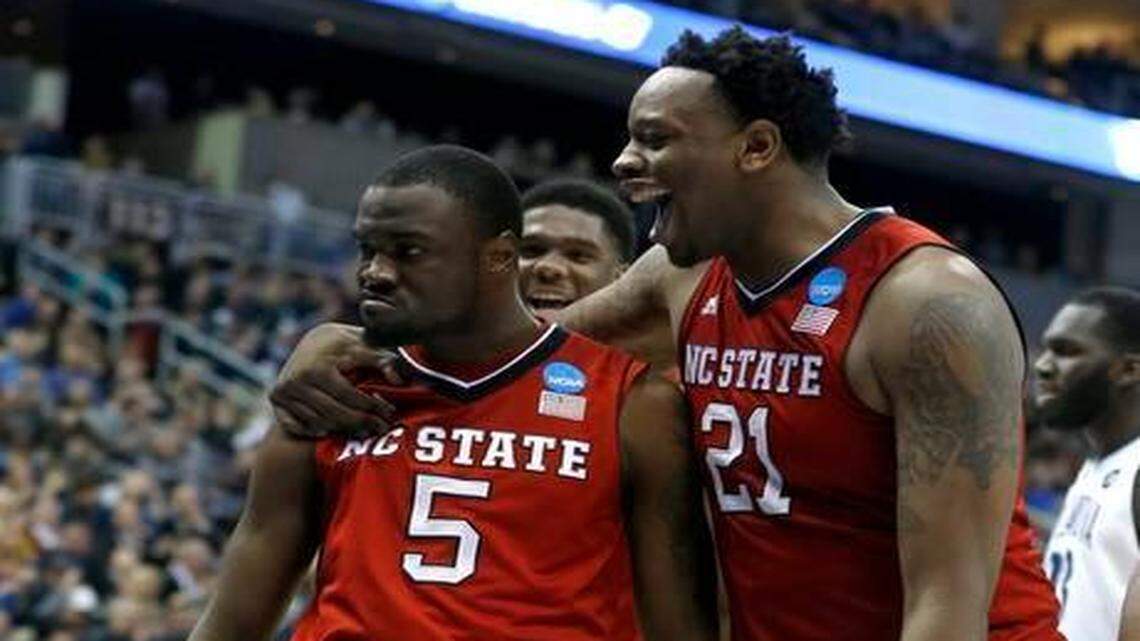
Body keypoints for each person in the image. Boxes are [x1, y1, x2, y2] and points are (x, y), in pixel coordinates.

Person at [271, 29, 1062, 639]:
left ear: (756, 147)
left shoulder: (927, 304)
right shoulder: (683, 276)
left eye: (655, 138)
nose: (624, 161)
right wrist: (342, 343)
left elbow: (947, 607)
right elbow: (506, 351)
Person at [189, 146, 717, 641]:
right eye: (368, 251)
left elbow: (678, 623)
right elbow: (235, 615)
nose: (376, 272)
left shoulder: (635, 401)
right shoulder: (329, 389)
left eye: (408, 252)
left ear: (495, 259)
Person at [1035, 287, 1140, 641]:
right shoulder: (1096, 466)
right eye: (1047, 348)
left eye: (1066, 351)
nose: (1043, 365)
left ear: (1127, 370)